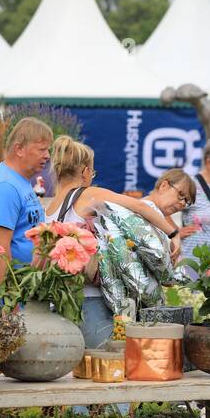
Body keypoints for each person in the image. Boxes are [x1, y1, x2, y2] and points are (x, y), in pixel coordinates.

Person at [42, 135, 181, 348]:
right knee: (111, 359)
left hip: (61, 300)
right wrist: (173, 234)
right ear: (85, 171)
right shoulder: (88, 194)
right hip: (91, 301)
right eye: (92, 172)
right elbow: (140, 206)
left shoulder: (50, 208)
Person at [0, 118, 52, 316]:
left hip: (13, 297)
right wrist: (11, 307)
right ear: (19, 149)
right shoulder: (4, 187)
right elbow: (0, 251)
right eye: (41, 149)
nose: (47, 156)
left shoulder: (19, 181)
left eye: (48, 150)